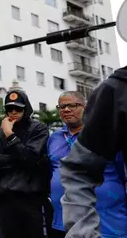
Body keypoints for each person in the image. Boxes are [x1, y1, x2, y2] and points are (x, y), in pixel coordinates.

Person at [49, 91, 127, 238]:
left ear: (86, 108)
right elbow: (51, 170)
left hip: (108, 222)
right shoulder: (54, 138)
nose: (66, 109)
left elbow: (122, 172)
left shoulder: (107, 136)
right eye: (62, 106)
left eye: (73, 105)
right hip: (63, 221)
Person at [0, 90, 51, 238]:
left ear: (26, 109)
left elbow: (30, 158)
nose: (13, 112)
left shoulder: (38, 128)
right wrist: (20, 157)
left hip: (31, 197)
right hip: (7, 197)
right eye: (9, 109)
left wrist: (10, 136)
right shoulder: (1, 132)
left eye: (18, 108)